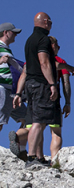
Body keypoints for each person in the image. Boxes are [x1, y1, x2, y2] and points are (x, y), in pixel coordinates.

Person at [12, 13, 59, 167]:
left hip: (30, 85)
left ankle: (38, 157)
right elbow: (44, 62)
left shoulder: (29, 40)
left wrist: (19, 93)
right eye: (50, 22)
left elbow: (25, 70)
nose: (51, 24)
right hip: (41, 85)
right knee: (39, 122)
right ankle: (32, 158)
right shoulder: (43, 40)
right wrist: (52, 84)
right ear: (45, 22)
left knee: (35, 121)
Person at [1, 23, 27, 157]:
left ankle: (19, 146)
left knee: (30, 120)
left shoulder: (6, 49)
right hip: (2, 89)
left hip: (13, 92)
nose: (16, 35)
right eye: (14, 32)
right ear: (6, 32)